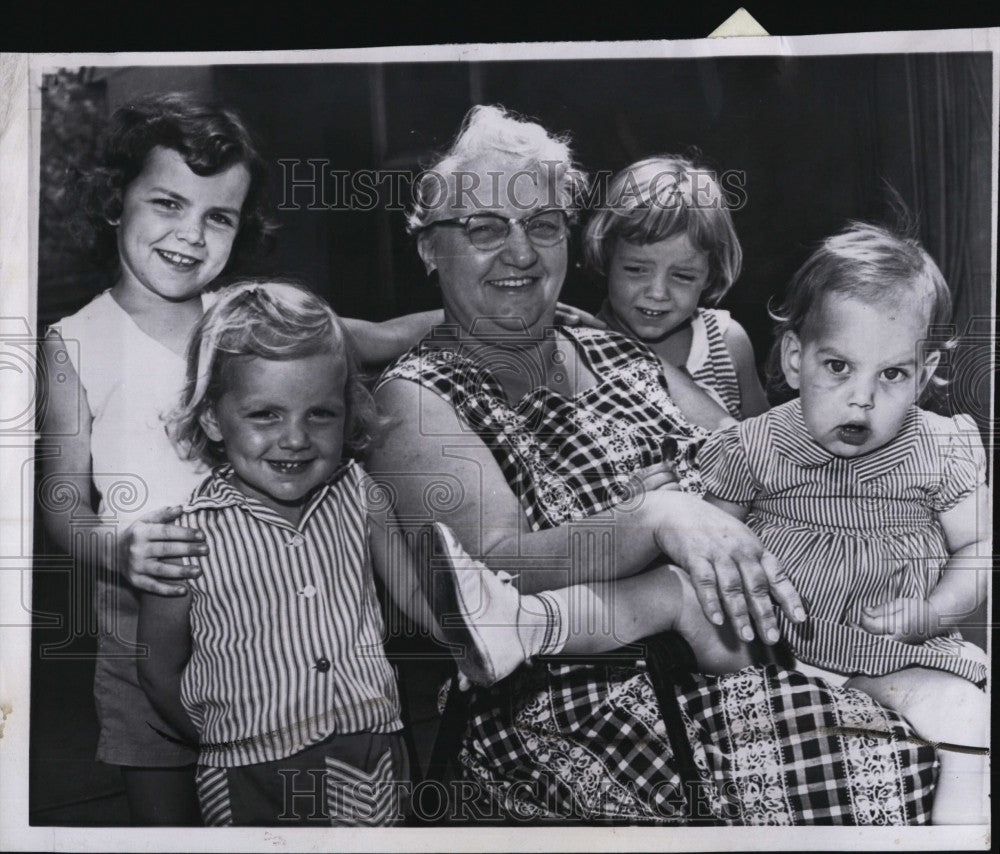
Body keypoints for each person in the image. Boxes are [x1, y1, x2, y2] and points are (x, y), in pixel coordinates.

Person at [369, 104, 939, 824]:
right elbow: (492, 568)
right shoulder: (416, 398)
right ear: (428, 248)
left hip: (748, 655)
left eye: (542, 226)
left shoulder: (611, 349)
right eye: (485, 228)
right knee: (891, 775)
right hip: (578, 697)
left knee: (941, 746)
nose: (519, 253)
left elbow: (762, 462)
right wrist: (657, 517)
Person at [37, 91, 439, 825]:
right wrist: (116, 549)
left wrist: (480, 318)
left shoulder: (249, 317)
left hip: (272, 612)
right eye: (167, 203)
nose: (190, 235)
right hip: (144, 618)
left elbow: (374, 338)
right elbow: (63, 499)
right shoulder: (75, 341)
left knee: (280, 799)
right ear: (112, 200)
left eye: (216, 216)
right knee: (169, 820)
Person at [697, 223, 989, 824]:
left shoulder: (938, 447)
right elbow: (710, 544)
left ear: (926, 368)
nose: (862, 399)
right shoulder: (753, 446)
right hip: (778, 654)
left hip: (898, 656)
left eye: (892, 375)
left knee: (969, 719)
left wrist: (933, 612)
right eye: (838, 366)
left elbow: (980, 547)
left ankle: (960, 833)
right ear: (795, 357)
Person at [137, 281, 438, 826]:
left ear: (348, 414)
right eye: (265, 416)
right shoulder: (185, 535)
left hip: (368, 752)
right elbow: (159, 669)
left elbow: (419, 599)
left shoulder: (361, 494)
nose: (295, 438)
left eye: (320, 414)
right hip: (244, 770)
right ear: (211, 418)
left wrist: (478, 634)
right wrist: (220, 740)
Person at [584, 154, 768, 421]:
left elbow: (767, 449)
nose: (658, 293)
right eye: (636, 270)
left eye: (682, 276)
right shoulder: (580, 353)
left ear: (709, 275)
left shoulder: (727, 343)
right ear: (606, 257)